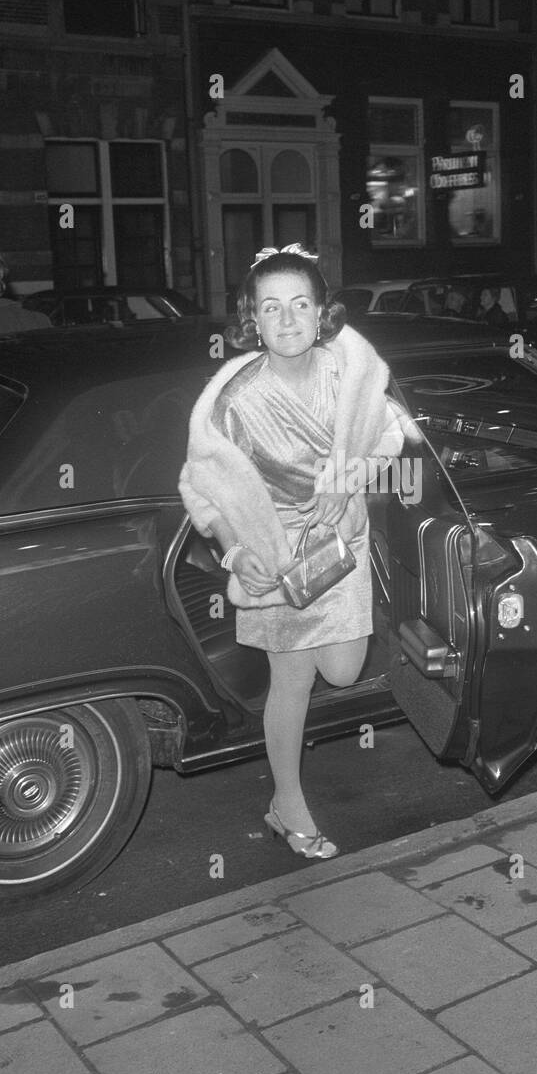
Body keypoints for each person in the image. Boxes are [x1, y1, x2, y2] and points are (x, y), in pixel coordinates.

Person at [179, 244, 414, 860]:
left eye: (300, 304)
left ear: (321, 312)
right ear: (252, 318)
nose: (286, 321)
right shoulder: (235, 401)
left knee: (341, 668)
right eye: (270, 307)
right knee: (292, 681)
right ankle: (289, 804)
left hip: (340, 545)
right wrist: (233, 554)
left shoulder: (351, 378)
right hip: (276, 552)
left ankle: (288, 793)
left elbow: (392, 434)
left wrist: (349, 477)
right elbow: (206, 488)